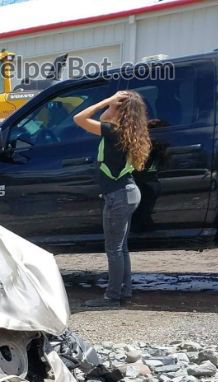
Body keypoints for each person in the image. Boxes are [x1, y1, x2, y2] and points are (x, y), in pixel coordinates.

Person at [73, 90, 152, 307]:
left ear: (120, 110)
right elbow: (97, 120)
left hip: (119, 196)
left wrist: (104, 100)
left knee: (114, 249)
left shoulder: (112, 131)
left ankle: (112, 297)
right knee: (121, 248)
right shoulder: (126, 132)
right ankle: (124, 292)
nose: (108, 109)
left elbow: (78, 119)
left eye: (113, 106)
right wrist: (111, 105)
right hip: (127, 194)